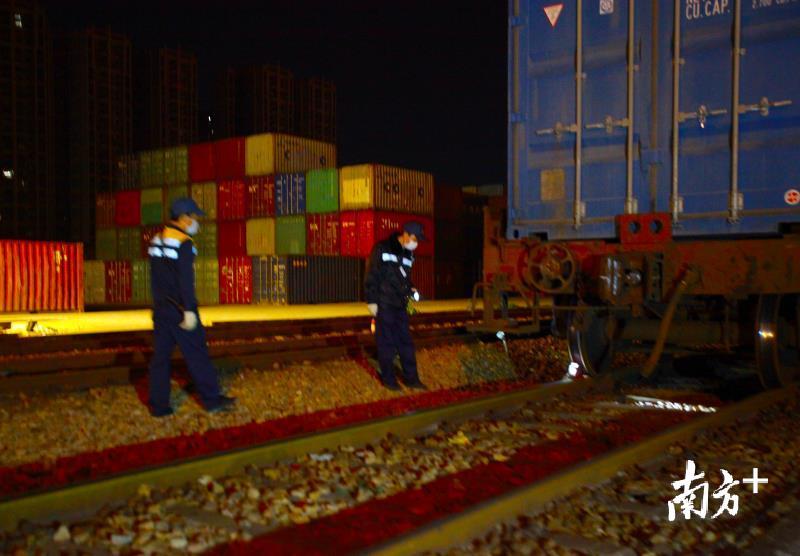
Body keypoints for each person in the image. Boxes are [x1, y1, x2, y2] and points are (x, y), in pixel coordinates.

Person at [147, 197, 235, 417]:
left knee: (160, 359)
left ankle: (159, 407)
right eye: (195, 217)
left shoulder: (156, 239)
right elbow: (186, 280)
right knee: (197, 355)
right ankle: (212, 401)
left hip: (161, 309)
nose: (196, 222)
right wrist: (188, 310)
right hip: (180, 309)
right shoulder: (184, 243)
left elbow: (156, 279)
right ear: (184, 217)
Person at [365, 221, 428, 391]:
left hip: (400, 305)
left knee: (406, 343)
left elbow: (405, 280)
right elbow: (372, 275)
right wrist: (372, 302)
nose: (416, 243)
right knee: (386, 345)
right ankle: (389, 381)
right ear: (406, 234)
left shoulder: (408, 254)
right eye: (415, 238)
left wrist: (412, 291)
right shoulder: (382, 248)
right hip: (384, 303)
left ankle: (411, 379)